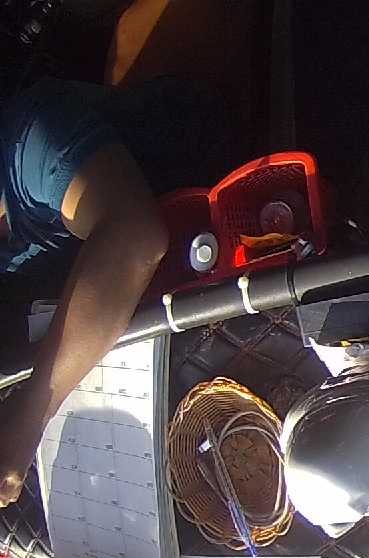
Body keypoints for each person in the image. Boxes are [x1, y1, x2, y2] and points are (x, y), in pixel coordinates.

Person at [0, 0, 250, 508]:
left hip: (226, 192)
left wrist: (28, 419)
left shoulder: (31, 137)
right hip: (175, 299)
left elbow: (135, 239)